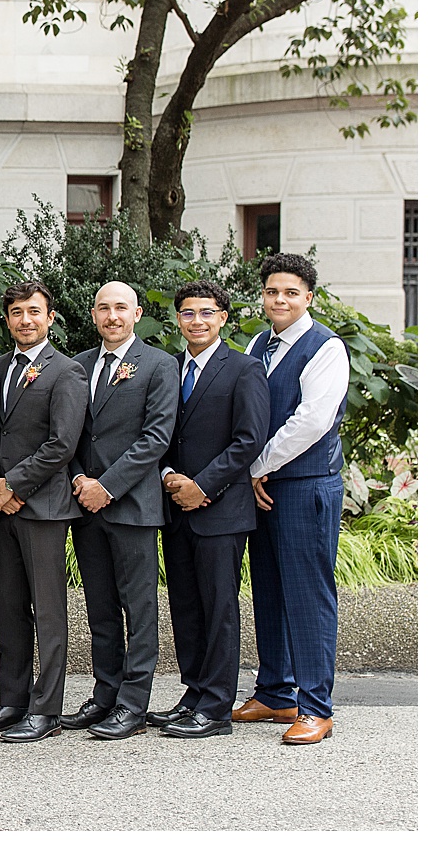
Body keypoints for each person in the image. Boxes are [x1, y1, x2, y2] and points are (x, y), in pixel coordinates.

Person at [148, 280, 269, 739]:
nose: (196, 321)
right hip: (175, 506)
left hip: (220, 510)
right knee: (186, 606)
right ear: (177, 318)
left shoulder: (243, 369)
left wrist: (202, 486)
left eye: (206, 312)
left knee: (219, 607)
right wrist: (168, 479)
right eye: (187, 313)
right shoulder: (168, 368)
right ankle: (194, 693)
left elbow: (248, 440)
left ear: (222, 317)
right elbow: (159, 434)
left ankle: (217, 706)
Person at [237, 253, 349, 745]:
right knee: (269, 590)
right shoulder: (260, 343)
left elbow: (311, 421)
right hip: (263, 488)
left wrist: (256, 467)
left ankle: (316, 707)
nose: (278, 300)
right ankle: (276, 692)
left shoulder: (326, 347)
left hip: (305, 485)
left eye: (290, 292)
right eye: (271, 291)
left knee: (307, 595)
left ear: (309, 298)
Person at [64, 282, 179, 740]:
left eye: (121, 308)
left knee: (139, 608)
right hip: (85, 504)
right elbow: (70, 432)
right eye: (104, 308)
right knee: (101, 608)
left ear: (137, 313)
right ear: (93, 314)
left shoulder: (158, 365)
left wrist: (106, 487)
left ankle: (134, 703)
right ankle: (105, 693)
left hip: (131, 506)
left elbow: (156, 437)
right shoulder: (80, 365)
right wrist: (78, 480)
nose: (112, 316)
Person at [0, 280, 86, 744]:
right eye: (16, 313)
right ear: (7, 320)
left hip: (42, 506)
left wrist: (16, 486)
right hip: (1, 506)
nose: (25, 320)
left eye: (34, 312)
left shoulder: (66, 372)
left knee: (48, 612)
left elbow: (62, 443)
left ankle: (47, 710)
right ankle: (13, 700)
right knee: (9, 608)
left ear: (49, 318)